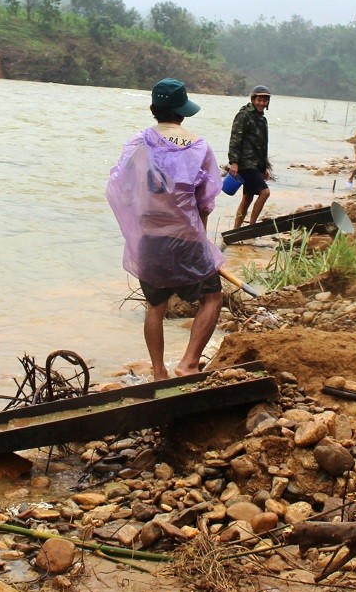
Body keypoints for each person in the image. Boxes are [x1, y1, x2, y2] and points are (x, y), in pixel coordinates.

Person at [106, 78, 225, 381]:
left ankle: (159, 373)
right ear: (182, 113)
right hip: (185, 237)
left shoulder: (136, 144)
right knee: (212, 297)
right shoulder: (198, 145)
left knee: (155, 306)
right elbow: (205, 200)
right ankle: (188, 362)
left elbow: (123, 188)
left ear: (153, 110)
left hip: (149, 237)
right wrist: (201, 240)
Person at [228, 85, 272, 229]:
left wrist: (264, 167)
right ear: (253, 99)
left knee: (248, 197)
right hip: (246, 163)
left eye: (265, 101)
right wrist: (234, 162)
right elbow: (235, 138)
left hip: (256, 164)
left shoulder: (262, 119)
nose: (262, 103)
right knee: (265, 192)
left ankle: (236, 229)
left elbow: (263, 145)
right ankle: (252, 227)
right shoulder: (244, 115)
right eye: (259, 100)